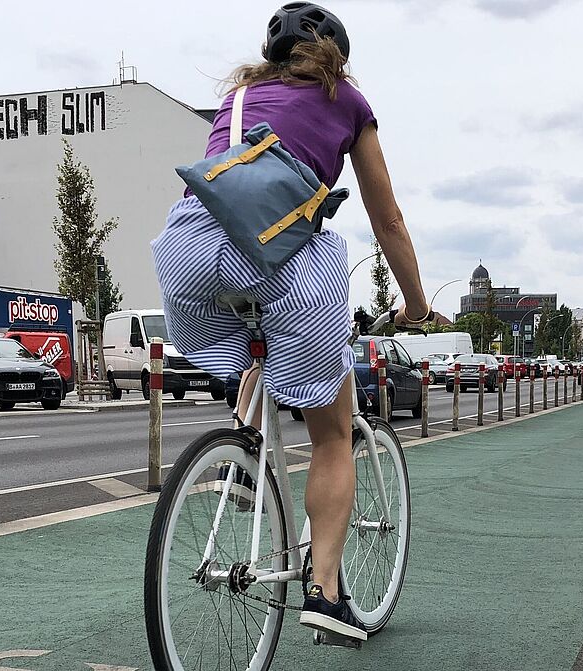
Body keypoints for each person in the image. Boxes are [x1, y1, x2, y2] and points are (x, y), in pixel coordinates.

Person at [151, 3, 438, 643]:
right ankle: (326, 591)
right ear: (336, 56)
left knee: (255, 351)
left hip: (187, 253)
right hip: (284, 262)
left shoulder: (242, 93)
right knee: (334, 434)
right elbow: (387, 220)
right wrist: (416, 303)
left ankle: (241, 457)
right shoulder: (348, 102)